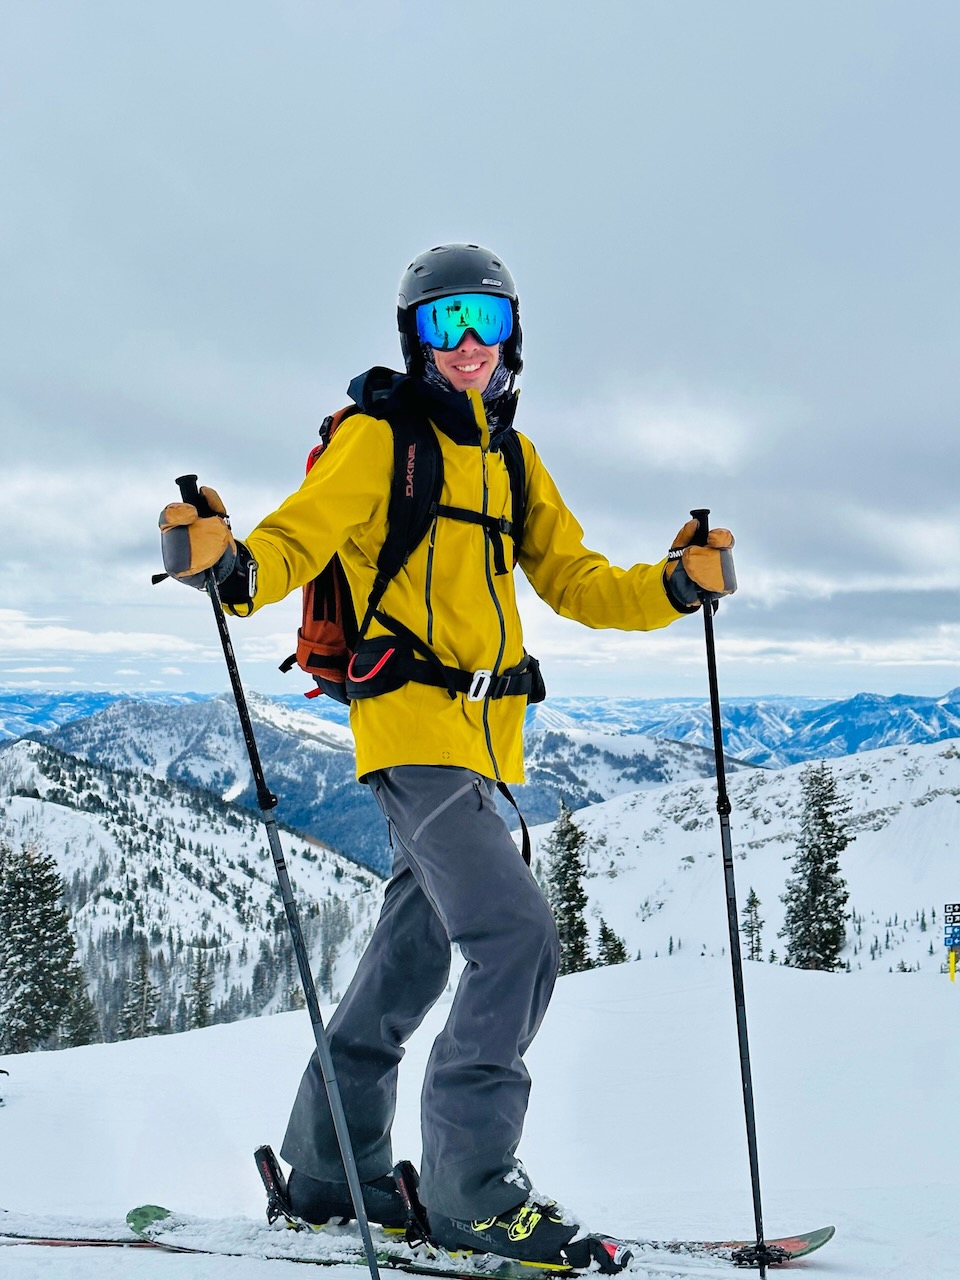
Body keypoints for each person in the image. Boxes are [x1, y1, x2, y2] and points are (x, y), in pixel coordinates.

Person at [159, 243, 736, 1265]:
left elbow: (579, 578)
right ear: (413, 339)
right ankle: (473, 1186)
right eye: (442, 323)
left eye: (486, 320)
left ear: (513, 332)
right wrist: (230, 565)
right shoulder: (381, 439)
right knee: (516, 938)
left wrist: (676, 585)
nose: (467, 343)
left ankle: (333, 1170)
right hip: (410, 729)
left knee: (411, 955)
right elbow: (296, 539)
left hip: (487, 744)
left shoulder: (512, 458)